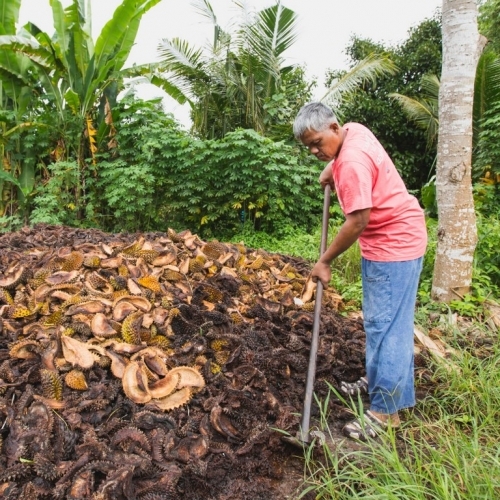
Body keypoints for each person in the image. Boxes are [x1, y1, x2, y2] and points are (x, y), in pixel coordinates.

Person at [293, 102, 427, 440]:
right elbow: (344, 159)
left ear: (334, 128)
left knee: (388, 328)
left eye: (317, 143)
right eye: (308, 146)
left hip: (393, 246)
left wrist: (324, 260)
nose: (313, 151)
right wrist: (331, 165)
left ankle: (385, 412)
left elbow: (357, 222)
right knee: (382, 322)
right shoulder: (354, 132)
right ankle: (381, 378)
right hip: (397, 239)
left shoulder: (350, 161)